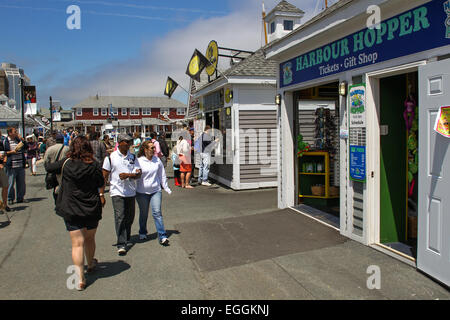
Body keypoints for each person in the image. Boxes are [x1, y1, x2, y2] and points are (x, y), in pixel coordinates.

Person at [55, 136, 106, 291]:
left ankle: (80, 279)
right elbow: (100, 182)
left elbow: (49, 167)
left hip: (71, 207)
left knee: (77, 243)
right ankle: (90, 264)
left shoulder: (67, 164)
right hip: (91, 206)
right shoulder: (94, 165)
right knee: (90, 238)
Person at [102, 133, 142, 255]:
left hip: (130, 191)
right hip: (116, 191)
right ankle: (121, 243)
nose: (129, 143)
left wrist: (128, 175)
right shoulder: (110, 157)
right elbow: (104, 175)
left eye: (130, 141)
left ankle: (127, 237)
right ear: (120, 142)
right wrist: (101, 193)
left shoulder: (133, 157)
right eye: (127, 141)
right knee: (120, 216)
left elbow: (139, 173)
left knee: (130, 217)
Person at [135, 140, 171, 244]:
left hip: (156, 190)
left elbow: (162, 175)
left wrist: (166, 187)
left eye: (154, 147)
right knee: (144, 213)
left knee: (157, 213)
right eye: (151, 148)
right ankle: (142, 232)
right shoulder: (139, 161)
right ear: (145, 150)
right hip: (142, 192)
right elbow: (135, 176)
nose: (154, 149)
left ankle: (162, 236)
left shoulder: (157, 160)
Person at [4, 127, 28, 205]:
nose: (16, 133)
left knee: (21, 183)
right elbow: (3, 152)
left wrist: (23, 140)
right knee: (10, 183)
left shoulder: (18, 140)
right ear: (10, 133)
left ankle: (20, 197)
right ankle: (10, 198)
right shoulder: (5, 141)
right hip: (11, 165)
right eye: (15, 131)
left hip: (20, 164)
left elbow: (26, 147)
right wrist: (11, 152)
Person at [44, 134, 69, 204]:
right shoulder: (67, 148)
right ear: (63, 140)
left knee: (55, 187)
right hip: (64, 171)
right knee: (64, 186)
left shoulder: (50, 149)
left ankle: (57, 202)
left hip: (53, 171)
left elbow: (45, 161)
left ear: (55, 140)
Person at [0, 138, 10, 213]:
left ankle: (5, 204)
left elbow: (5, 153)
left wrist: (4, 160)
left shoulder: (1, 143)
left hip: (1, 168)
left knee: (5, 185)